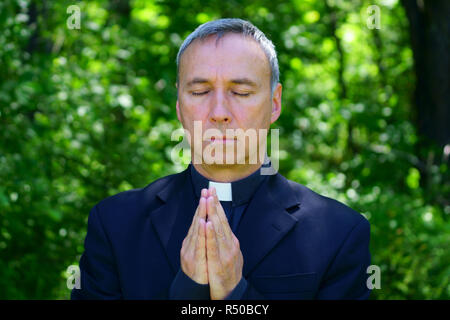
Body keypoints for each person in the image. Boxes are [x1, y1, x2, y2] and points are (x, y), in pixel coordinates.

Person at [71, 18, 371, 300]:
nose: (218, 112)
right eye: (200, 91)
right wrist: (188, 290)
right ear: (179, 106)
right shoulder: (115, 224)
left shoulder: (339, 233)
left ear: (275, 103)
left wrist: (236, 293)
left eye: (240, 92)